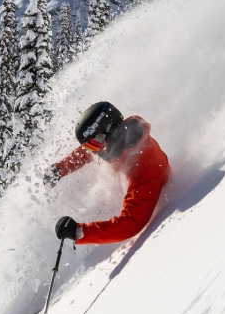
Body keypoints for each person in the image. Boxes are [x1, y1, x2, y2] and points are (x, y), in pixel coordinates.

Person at [45, 101, 171, 244]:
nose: (95, 152)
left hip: (149, 195)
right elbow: (87, 153)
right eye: (90, 146)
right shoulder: (123, 140)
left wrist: (78, 232)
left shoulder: (147, 167)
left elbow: (130, 224)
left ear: (112, 132)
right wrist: (60, 169)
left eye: (95, 145)